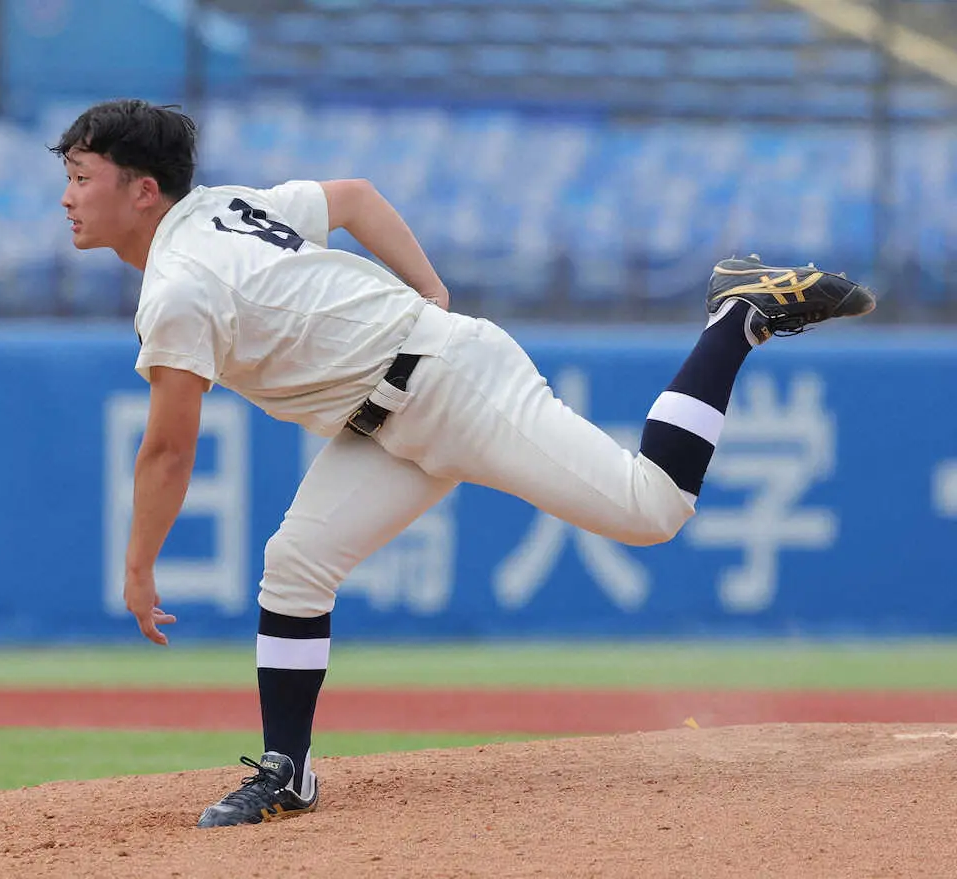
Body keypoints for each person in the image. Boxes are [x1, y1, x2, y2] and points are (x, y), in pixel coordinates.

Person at [50, 99, 876, 828]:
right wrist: (429, 287)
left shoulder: (179, 284)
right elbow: (356, 199)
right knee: (295, 566)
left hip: (453, 384)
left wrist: (139, 564)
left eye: (83, 176)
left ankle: (737, 315)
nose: (67, 195)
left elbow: (168, 447)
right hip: (386, 423)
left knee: (652, 506)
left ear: (142, 189)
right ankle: (287, 771)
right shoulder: (228, 208)